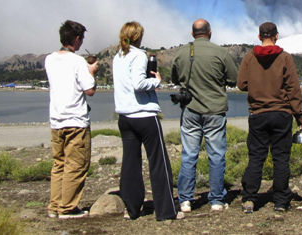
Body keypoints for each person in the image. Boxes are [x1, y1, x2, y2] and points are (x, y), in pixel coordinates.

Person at [112, 21, 183, 221]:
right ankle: (166, 211)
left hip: (125, 116)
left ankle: (132, 209)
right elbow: (139, 84)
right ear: (138, 37)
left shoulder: (118, 56)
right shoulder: (139, 55)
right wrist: (157, 80)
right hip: (144, 115)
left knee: (130, 163)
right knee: (158, 162)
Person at [236, 22, 302, 214]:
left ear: (259, 36)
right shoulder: (285, 58)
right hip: (282, 114)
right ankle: (281, 201)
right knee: (281, 158)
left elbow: (241, 84)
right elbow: (293, 89)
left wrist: (256, 82)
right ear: (276, 36)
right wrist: (299, 115)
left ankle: (249, 199)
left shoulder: (250, 57)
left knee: (256, 157)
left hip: (258, 114)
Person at [171, 19, 238, 212]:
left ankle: (185, 200)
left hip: (190, 110)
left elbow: (176, 79)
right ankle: (216, 200)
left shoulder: (181, 52)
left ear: (192, 34)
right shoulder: (221, 53)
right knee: (216, 155)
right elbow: (233, 79)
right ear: (210, 32)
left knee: (189, 154)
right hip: (215, 111)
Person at [45, 20, 98, 219]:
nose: (82, 42)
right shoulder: (77, 62)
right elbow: (90, 90)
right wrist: (92, 72)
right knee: (76, 165)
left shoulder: (49, 59)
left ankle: (55, 205)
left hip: (56, 120)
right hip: (76, 121)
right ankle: (67, 207)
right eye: (81, 38)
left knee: (59, 163)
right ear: (76, 39)